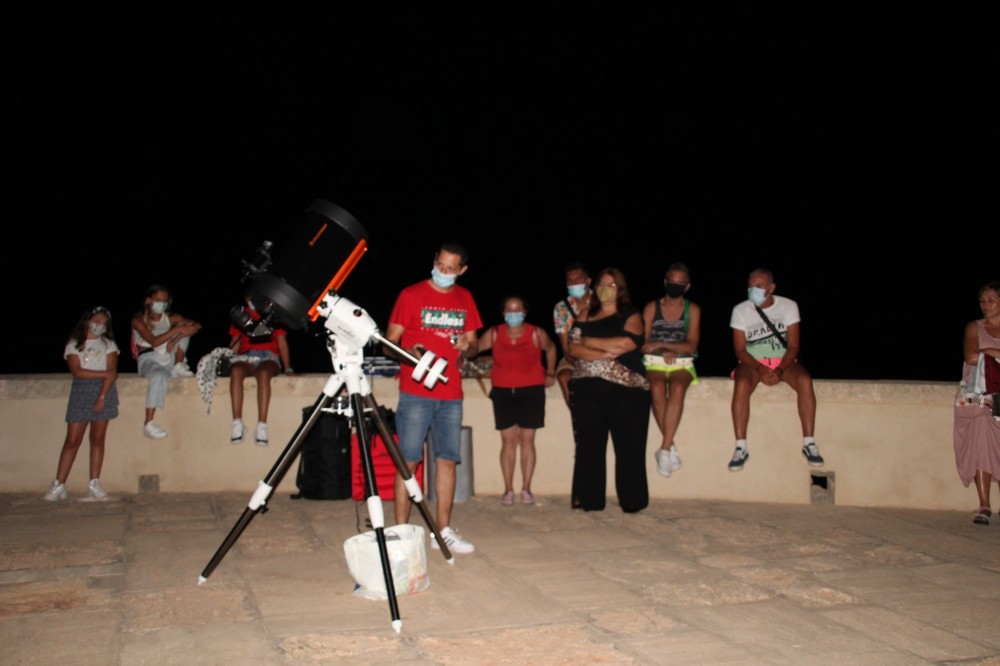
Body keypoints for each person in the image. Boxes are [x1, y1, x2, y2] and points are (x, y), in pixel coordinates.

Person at [383, 240, 483, 554]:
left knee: (447, 462)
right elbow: (387, 343)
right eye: (440, 265)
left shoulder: (465, 298)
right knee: (408, 462)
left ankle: (443, 532)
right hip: (416, 393)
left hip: (451, 394)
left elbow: (474, 345)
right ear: (435, 260)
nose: (443, 271)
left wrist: (467, 346)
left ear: (461, 270)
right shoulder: (410, 295)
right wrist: (407, 352)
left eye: (450, 268)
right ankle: (400, 531)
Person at [567, 267, 650, 512]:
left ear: (620, 289)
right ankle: (590, 500)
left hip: (626, 391)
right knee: (589, 446)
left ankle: (632, 499)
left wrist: (589, 341)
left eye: (611, 285)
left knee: (628, 447)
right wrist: (604, 352)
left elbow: (626, 344)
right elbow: (573, 348)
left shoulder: (631, 314)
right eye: (602, 284)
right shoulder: (585, 313)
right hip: (587, 388)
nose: (605, 289)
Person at [728, 268, 824, 472]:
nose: (753, 290)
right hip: (753, 362)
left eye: (759, 286)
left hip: (784, 361)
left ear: (771, 288)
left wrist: (780, 370)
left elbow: (793, 346)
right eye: (750, 286)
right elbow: (740, 350)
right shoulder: (740, 310)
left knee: (805, 380)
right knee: (742, 383)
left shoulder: (788, 306)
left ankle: (809, 443)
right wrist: (760, 368)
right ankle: (740, 447)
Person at [475, 295, 557, 506]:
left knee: (527, 440)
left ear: (525, 312)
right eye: (509, 310)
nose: (513, 314)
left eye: (517, 310)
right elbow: (474, 348)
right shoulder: (494, 333)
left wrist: (550, 372)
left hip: (532, 391)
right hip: (503, 392)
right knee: (508, 441)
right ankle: (508, 489)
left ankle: (526, 488)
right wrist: (462, 345)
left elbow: (551, 349)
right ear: (503, 313)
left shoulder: (536, 333)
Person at [44, 306, 119, 501]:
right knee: (72, 440)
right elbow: (77, 371)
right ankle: (59, 484)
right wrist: (104, 374)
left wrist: (101, 397)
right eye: (97, 321)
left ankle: (94, 483)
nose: (100, 325)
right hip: (81, 391)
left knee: (97, 439)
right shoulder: (74, 344)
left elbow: (112, 374)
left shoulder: (109, 345)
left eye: (104, 323)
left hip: (104, 391)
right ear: (87, 320)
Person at [641, 262, 701, 478]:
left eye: (680, 282)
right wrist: (662, 349)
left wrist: (664, 345)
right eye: (672, 281)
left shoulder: (692, 310)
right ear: (665, 282)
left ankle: (665, 448)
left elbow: (691, 345)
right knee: (656, 387)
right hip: (653, 362)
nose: (675, 285)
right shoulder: (651, 308)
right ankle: (669, 447)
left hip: (682, 363)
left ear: (687, 286)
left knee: (677, 388)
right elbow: (643, 343)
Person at [953, 281, 1000, 525]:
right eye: (983, 300)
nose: (985, 305)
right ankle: (984, 504)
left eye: (991, 300)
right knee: (982, 446)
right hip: (982, 395)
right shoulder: (975, 327)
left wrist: (988, 351)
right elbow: (971, 356)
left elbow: (981, 353)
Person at [131, 284, 202, 439]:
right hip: (150, 358)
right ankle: (149, 423)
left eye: (164, 301)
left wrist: (178, 336)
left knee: (185, 329)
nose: (161, 304)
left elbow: (196, 325)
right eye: (158, 300)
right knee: (158, 376)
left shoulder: (171, 318)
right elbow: (154, 341)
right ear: (148, 301)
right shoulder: (139, 320)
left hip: (169, 356)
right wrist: (177, 330)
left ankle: (178, 365)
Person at [227, 293, 294, 446]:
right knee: (236, 370)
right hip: (247, 356)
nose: (251, 300)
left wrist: (288, 368)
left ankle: (261, 425)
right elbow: (235, 343)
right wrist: (227, 360)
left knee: (263, 373)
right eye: (249, 297)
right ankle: (237, 423)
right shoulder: (242, 314)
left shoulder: (272, 314)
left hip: (269, 356)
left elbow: (282, 343)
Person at [552, 262, 593, 407]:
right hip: (574, 357)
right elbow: (565, 348)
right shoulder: (561, 308)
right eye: (570, 280)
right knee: (564, 376)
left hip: (602, 355)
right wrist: (582, 366)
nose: (574, 283)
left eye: (578, 279)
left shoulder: (602, 303)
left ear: (588, 281)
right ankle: (579, 417)